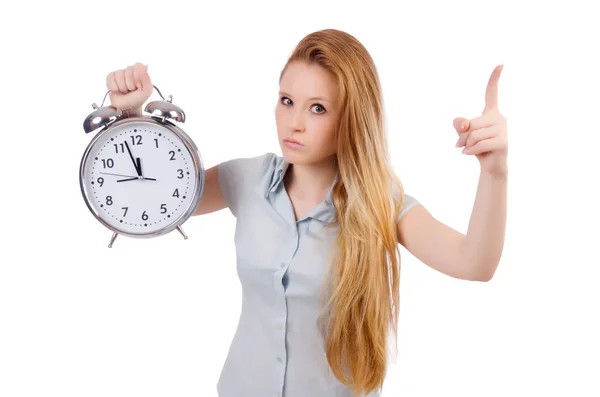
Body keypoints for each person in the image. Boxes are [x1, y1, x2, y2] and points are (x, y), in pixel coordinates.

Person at [104, 28, 508, 397]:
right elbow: (153, 200)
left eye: (318, 109)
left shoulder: (380, 202)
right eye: (287, 101)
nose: (294, 122)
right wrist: (132, 117)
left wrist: (495, 173)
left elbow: (474, 263)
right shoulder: (248, 179)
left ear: (351, 117)